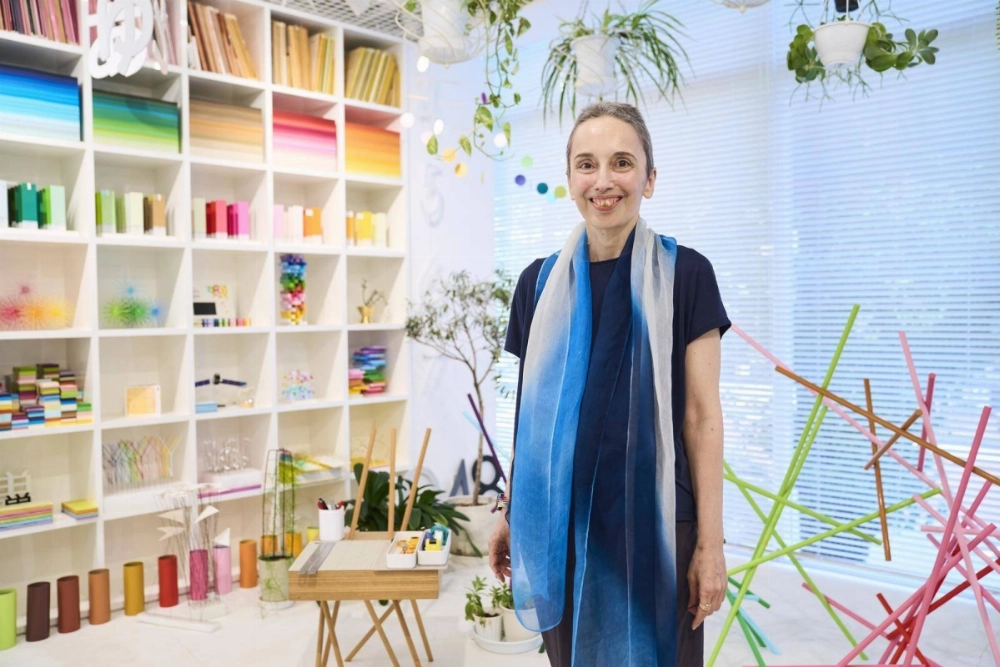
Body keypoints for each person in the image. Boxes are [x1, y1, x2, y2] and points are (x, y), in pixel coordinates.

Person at [488, 101, 730, 666]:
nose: (603, 180)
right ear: (570, 178)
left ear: (649, 179)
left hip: (661, 522)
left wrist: (710, 545)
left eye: (622, 163)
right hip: (556, 524)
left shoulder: (686, 275)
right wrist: (508, 509)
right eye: (586, 164)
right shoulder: (538, 285)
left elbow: (702, 417)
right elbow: (533, 420)